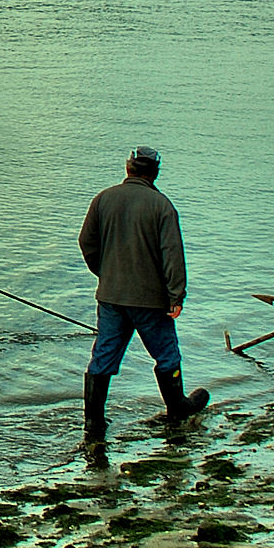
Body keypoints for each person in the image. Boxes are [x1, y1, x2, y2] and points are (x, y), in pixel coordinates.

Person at [78, 146, 209, 443]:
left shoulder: (103, 198)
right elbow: (172, 255)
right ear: (155, 173)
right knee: (166, 354)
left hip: (111, 297)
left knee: (103, 357)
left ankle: (93, 424)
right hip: (150, 301)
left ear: (129, 168)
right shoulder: (162, 206)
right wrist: (176, 296)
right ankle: (177, 409)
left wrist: (106, 274)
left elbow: (86, 242)